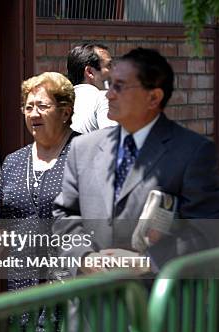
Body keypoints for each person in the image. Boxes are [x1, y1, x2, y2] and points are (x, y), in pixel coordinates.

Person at [54, 47, 219, 276]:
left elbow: (206, 232)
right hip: (91, 302)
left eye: (119, 87)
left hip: (157, 302)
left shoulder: (193, 153)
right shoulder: (83, 148)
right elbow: (64, 216)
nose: (109, 94)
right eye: (109, 84)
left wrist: (147, 263)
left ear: (153, 97)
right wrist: (84, 257)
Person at [0, 72, 78, 332]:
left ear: (65, 111)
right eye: (28, 107)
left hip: (71, 292)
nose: (33, 114)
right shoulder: (14, 162)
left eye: (42, 106)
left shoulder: (83, 155)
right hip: (24, 292)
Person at [67, 43, 117, 134]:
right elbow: (112, 142)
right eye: (109, 65)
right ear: (90, 72)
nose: (114, 71)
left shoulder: (60, 102)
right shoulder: (103, 99)